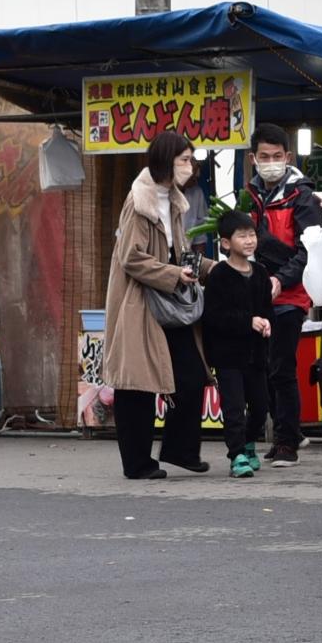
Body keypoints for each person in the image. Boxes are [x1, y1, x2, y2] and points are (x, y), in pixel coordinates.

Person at [99, 130, 210, 480]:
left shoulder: (173, 200)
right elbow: (130, 258)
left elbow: (177, 251)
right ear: (165, 161)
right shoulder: (140, 201)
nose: (190, 167)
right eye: (184, 160)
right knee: (136, 385)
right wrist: (174, 273)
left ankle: (180, 450)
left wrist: (205, 269)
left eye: (191, 160)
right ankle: (137, 463)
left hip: (166, 300)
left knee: (191, 373)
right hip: (138, 302)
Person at [246, 123, 322, 468]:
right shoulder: (247, 196)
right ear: (253, 159)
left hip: (291, 295)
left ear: (288, 157)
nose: (271, 162)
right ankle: (288, 431)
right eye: (264, 156)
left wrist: (281, 279)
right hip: (257, 296)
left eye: (277, 156)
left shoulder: (302, 196)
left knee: (281, 367)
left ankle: (286, 442)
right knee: (261, 368)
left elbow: (309, 249)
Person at [203, 211, 272, 477]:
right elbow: (214, 316)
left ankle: (249, 442)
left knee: (261, 405)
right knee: (233, 407)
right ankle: (237, 455)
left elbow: (267, 309)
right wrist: (248, 321)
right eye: (241, 235)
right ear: (225, 243)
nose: (249, 240)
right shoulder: (219, 275)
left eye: (252, 234)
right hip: (228, 354)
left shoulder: (261, 273)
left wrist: (266, 322)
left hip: (256, 354)